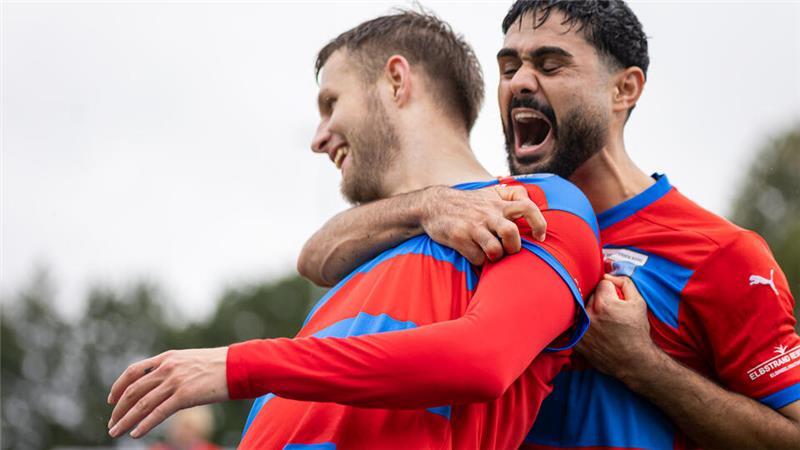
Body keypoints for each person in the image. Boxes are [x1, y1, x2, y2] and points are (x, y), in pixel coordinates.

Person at [297, 1, 800, 449]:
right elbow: (319, 257)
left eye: (549, 63)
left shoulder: (719, 253)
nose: (518, 82)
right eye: (509, 66)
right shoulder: (490, 210)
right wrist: (426, 206)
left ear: (624, 89)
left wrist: (642, 365)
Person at [106, 11, 602, 449]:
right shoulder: (359, 260)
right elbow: (314, 257)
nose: (319, 139)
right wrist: (425, 205)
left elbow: (482, 360)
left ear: (395, 80)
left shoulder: (538, 203)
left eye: (331, 103)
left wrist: (237, 367)